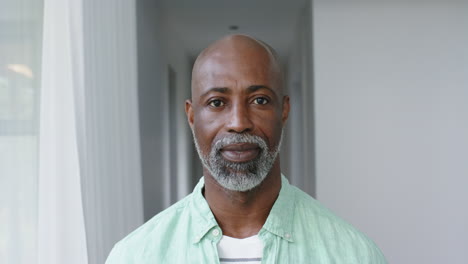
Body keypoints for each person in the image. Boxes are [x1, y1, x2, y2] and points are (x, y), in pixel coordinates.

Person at [106, 34, 387, 263]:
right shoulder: (135, 256)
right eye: (217, 102)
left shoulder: (354, 255)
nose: (239, 123)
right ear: (192, 116)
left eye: (260, 100)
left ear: (284, 110)